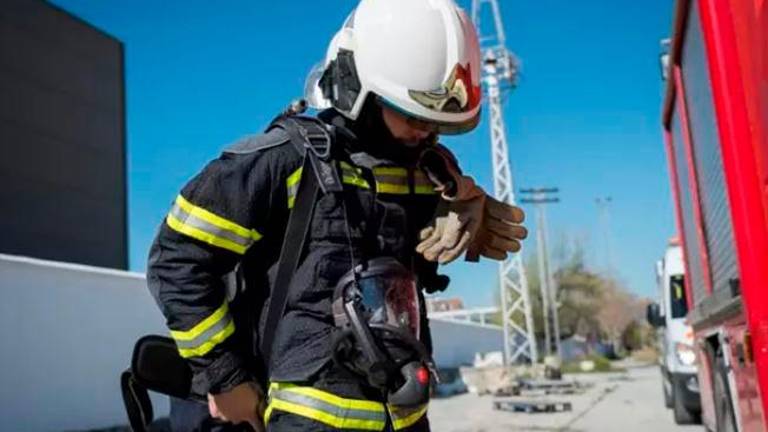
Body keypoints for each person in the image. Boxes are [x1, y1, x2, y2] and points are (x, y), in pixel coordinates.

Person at [146, 0, 527, 431]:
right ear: (357, 86)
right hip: (298, 420)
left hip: (404, 414)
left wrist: (457, 200)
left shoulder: (430, 172)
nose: (425, 131)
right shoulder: (281, 162)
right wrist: (225, 376)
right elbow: (177, 261)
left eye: (436, 121)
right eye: (411, 113)